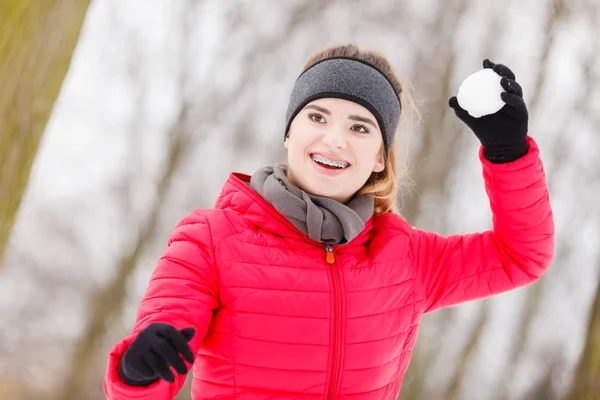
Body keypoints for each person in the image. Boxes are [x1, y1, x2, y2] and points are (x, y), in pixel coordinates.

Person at [103, 44, 554, 400]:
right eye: (317, 117)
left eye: (360, 127)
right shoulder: (211, 239)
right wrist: (136, 370)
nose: (334, 139)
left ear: (380, 156)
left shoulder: (407, 257)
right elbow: (155, 358)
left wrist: (508, 153)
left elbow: (521, 256)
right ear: (289, 132)